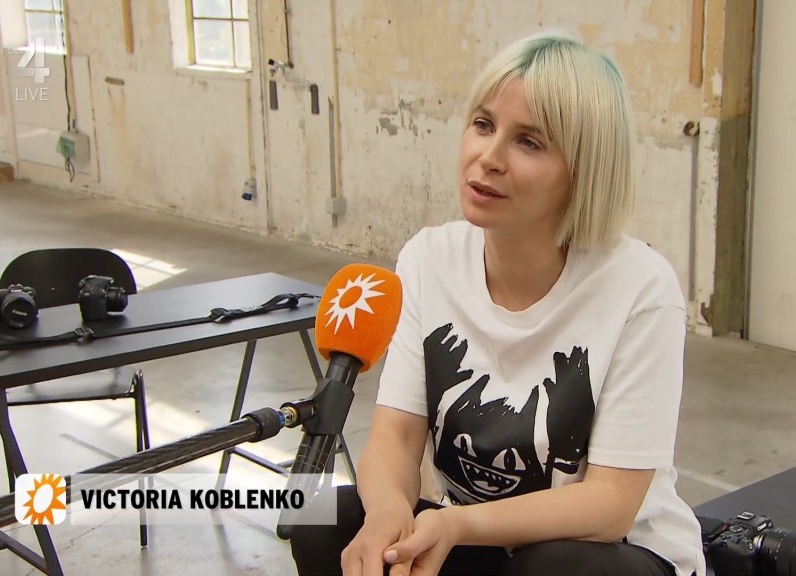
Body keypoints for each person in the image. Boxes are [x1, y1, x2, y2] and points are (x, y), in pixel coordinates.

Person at [291, 32, 705, 576]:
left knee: (553, 568)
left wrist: (459, 526)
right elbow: (396, 433)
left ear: (584, 170)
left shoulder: (640, 288)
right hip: (475, 536)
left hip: (611, 552)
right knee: (321, 517)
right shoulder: (428, 259)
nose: (488, 158)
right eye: (483, 125)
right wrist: (388, 513)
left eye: (528, 142)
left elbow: (610, 506)